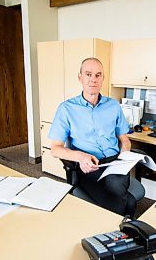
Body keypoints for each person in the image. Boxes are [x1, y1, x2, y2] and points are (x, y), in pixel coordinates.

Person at [48, 57, 137, 217]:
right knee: (127, 200)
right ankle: (122, 229)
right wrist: (80, 157)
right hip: (89, 166)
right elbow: (55, 149)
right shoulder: (66, 109)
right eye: (88, 74)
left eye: (98, 75)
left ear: (103, 78)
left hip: (115, 162)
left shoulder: (113, 106)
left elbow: (124, 139)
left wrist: (124, 157)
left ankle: (114, 232)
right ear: (80, 77)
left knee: (118, 188)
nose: (93, 80)